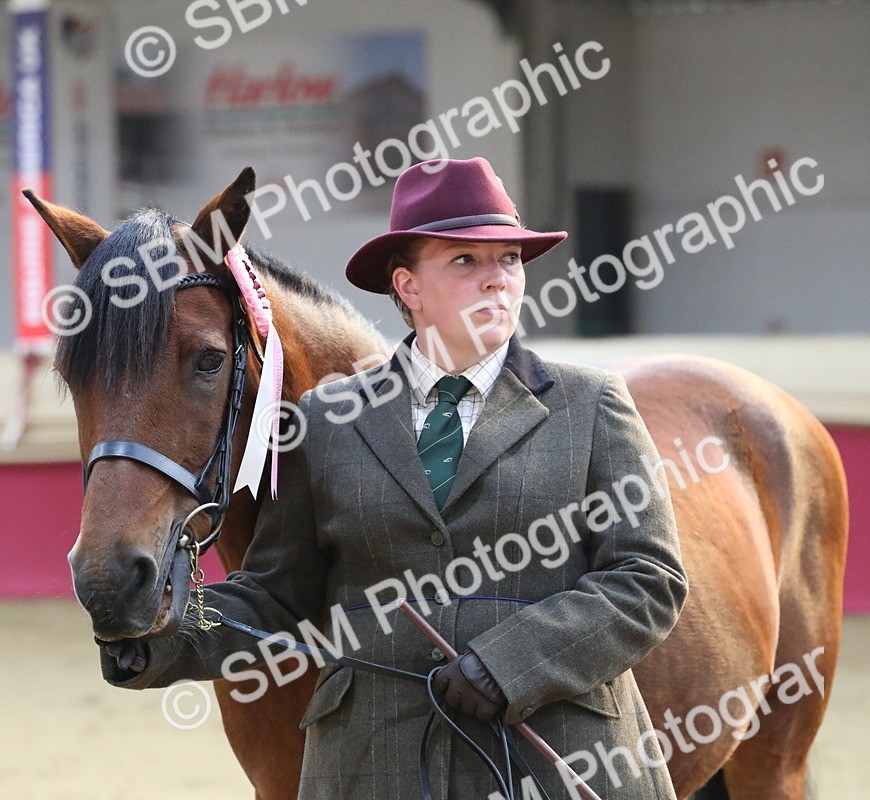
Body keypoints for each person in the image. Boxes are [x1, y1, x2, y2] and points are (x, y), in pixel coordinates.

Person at [101, 156, 688, 799]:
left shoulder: (593, 405)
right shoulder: (326, 421)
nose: (496, 279)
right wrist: (161, 639)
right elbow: (277, 599)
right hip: (373, 767)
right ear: (408, 287)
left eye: (509, 259)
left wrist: (511, 664)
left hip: (557, 763)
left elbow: (647, 579)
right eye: (465, 261)